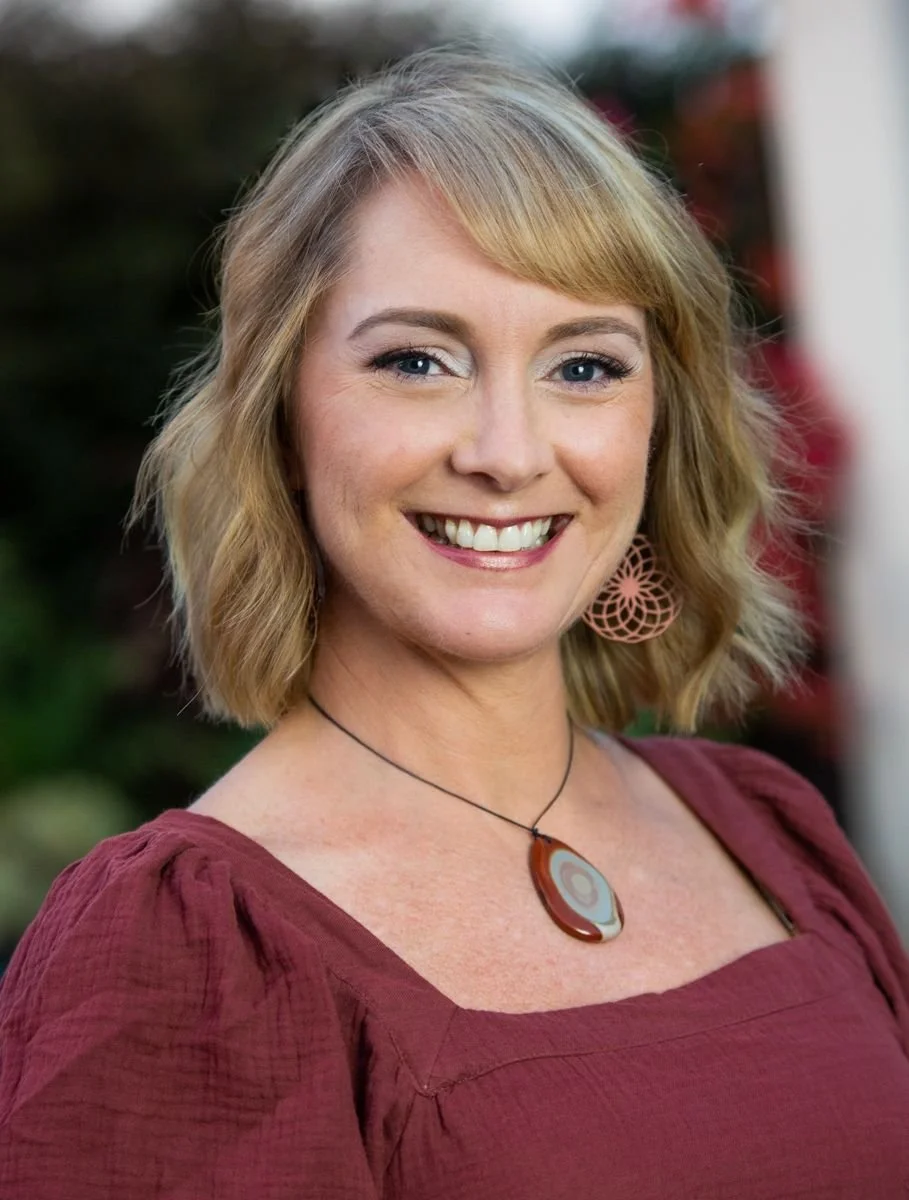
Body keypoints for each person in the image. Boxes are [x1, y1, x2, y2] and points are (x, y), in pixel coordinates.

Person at [1, 48, 907, 1199]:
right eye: (418, 360)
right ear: (281, 415)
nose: (508, 453)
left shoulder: (770, 832)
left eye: (584, 366)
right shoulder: (189, 946)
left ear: (657, 427)